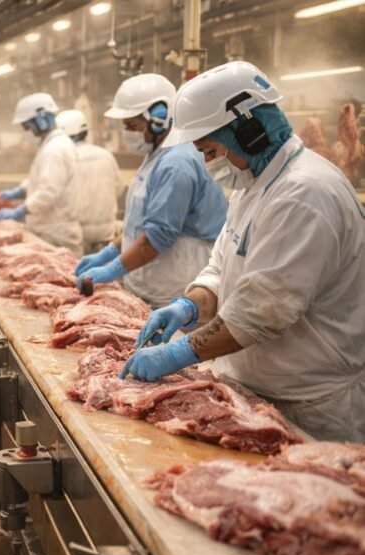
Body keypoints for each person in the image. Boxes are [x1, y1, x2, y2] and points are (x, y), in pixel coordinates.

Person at [120, 61, 365, 442]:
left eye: (211, 150)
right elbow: (221, 267)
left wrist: (178, 352)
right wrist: (187, 305)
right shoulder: (252, 187)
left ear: (249, 131)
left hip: (311, 406)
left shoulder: (304, 194)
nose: (207, 163)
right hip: (256, 394)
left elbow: (262, 311)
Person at [75, 74, 227, 307]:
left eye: (132, 126)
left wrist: (110, 270)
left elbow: (158, 236)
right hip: (151, 285)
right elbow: (140, 224)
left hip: (174, 292)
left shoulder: (177, 162)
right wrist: (108, 252)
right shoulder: (156, 155)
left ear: (159, 118)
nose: (127, 133)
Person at [0, 93, 82, 253]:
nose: (27, 132)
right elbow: (44, 179)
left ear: (41, 120)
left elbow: (47, 193)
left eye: (27, 127)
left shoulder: (55, 149)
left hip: (56, 235)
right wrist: (19, 191)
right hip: (49, 231)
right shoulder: (50, 145)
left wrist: (19, 211)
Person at [56, 109, 120, 254]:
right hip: (106, 238)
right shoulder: (106, 155)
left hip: (76, 239)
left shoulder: (63, 159)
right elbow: (118, 188)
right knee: (105, 276)